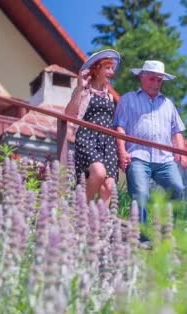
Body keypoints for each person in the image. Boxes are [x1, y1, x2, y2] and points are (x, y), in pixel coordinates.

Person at [113, 60, 187, 229]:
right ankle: (142, 235)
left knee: (177, 188)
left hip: (165, 159)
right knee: (140, 194)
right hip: (138, 155)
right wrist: (122, 151)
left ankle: (168, 230)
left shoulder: (168, 104)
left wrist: (181, 152)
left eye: (159, 80)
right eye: (152, 79)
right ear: (142, 77)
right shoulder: (127, 100)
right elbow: (120, 128)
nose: (156, 83)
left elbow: (176, 131)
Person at [65, 49, 120, 206]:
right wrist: (79, 88)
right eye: (108, 68)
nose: (112, 72)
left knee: (108, 187)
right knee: (99, 173)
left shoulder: (109, 96)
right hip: (87, 137)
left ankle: (97, 225)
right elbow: (69, 114)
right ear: (97, 69)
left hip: (107, 142)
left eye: (112, 69)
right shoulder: (84, 91)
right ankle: (80, 210)